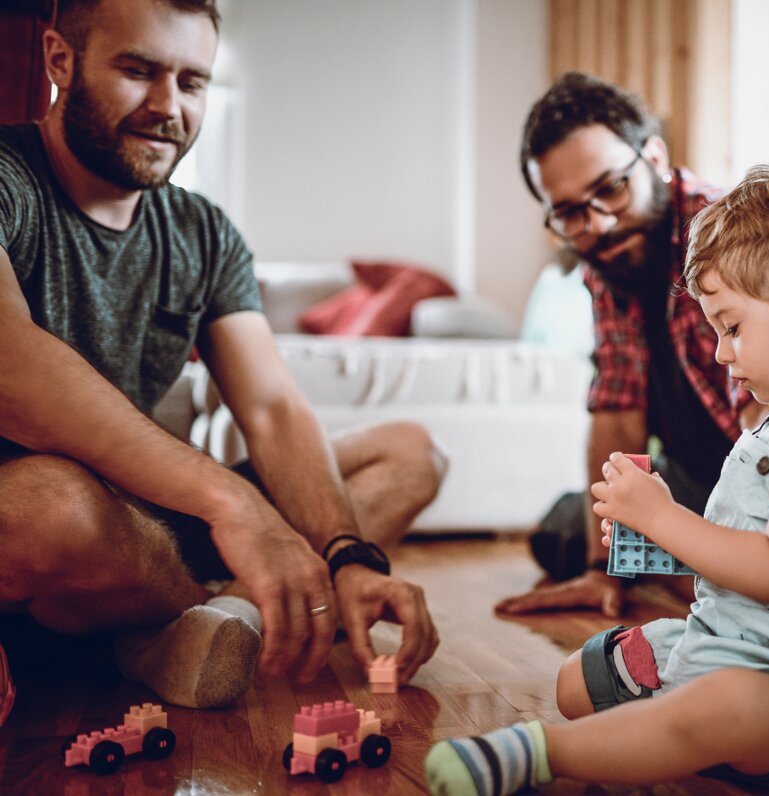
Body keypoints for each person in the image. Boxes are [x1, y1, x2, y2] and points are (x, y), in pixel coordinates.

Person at [0, 0, 447, 710]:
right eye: (138, 71)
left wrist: (347, 554)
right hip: (47, 529)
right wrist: (236, 506)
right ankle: (219, 611)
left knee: (409, 452)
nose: (166, 107)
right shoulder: (8, 181)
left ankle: (209, 621)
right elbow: (12, 370)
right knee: (52, 505)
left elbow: (270, 408)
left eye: (192, 82)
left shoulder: (203, 231)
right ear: (60, 61)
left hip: (148, 518)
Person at [425, 165, 769, 792]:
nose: (723, 353)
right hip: (726, 639)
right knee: (578, 679)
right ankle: (666, 731)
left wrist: (663, 518)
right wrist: (652, 535)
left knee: (724, 706)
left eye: (731, 327)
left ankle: (541, 756)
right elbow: (737, 565)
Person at [496, 72, 762, 619]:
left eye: (611, 187)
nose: (599, 224)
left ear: (656, 158)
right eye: (570, 212)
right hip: (693, 473)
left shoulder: (733, 236)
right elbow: (618, 409)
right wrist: (604, 567)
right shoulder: (607, 264)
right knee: (563, 538)